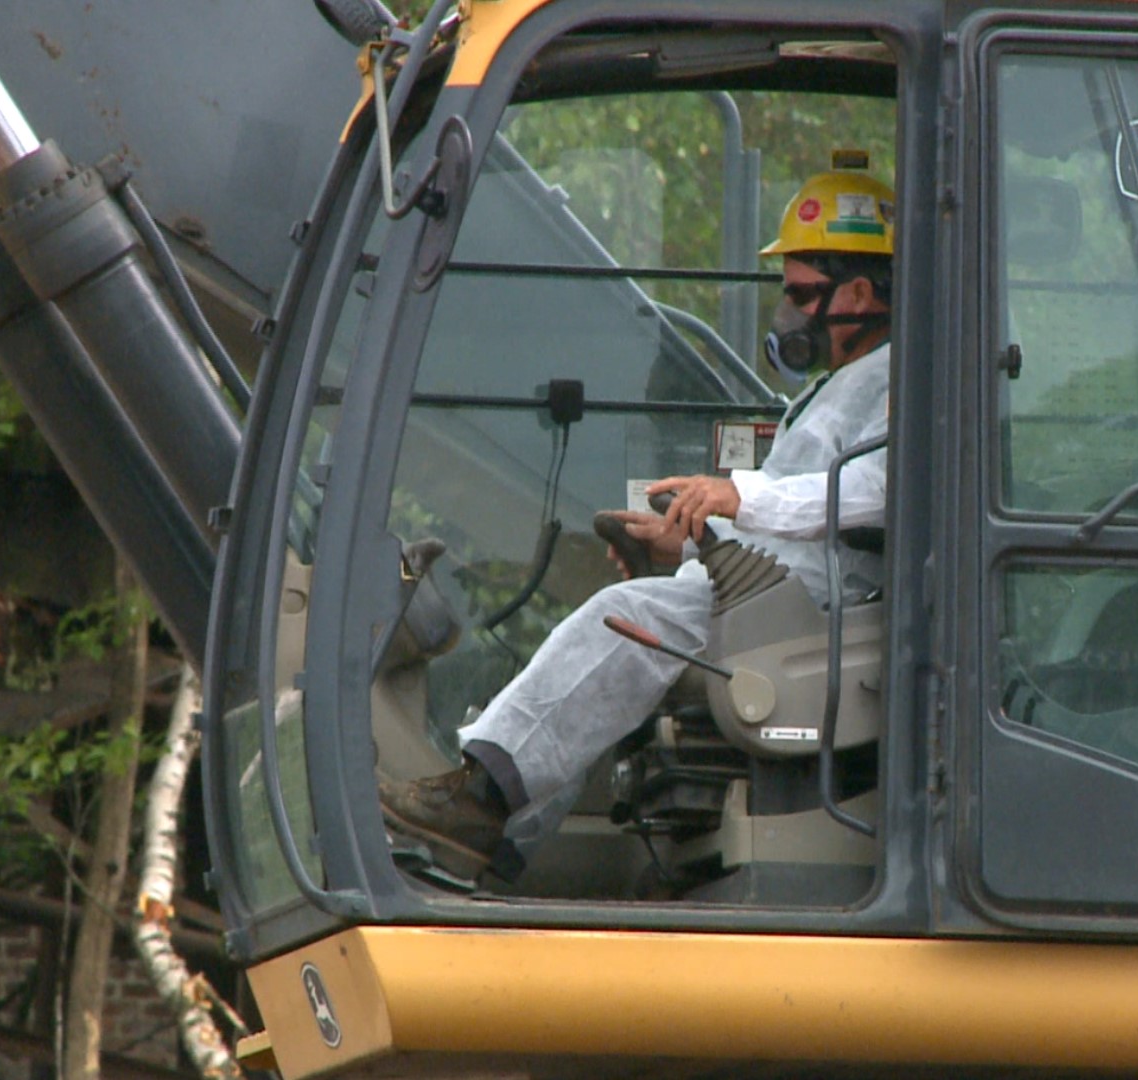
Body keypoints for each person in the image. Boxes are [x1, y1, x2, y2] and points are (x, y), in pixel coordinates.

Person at [380, 167, 895, 879]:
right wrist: (681, 538)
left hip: (815, 613)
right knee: (617, 647)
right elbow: (794, 510)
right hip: (772, 594)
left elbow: (880, 488)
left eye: (803, 295)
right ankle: (494, 856)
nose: (790, 315)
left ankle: (480, 797)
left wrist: (737, 498)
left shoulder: (904, 377)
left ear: (860, 296)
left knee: (624, 620)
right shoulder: (830, 390)